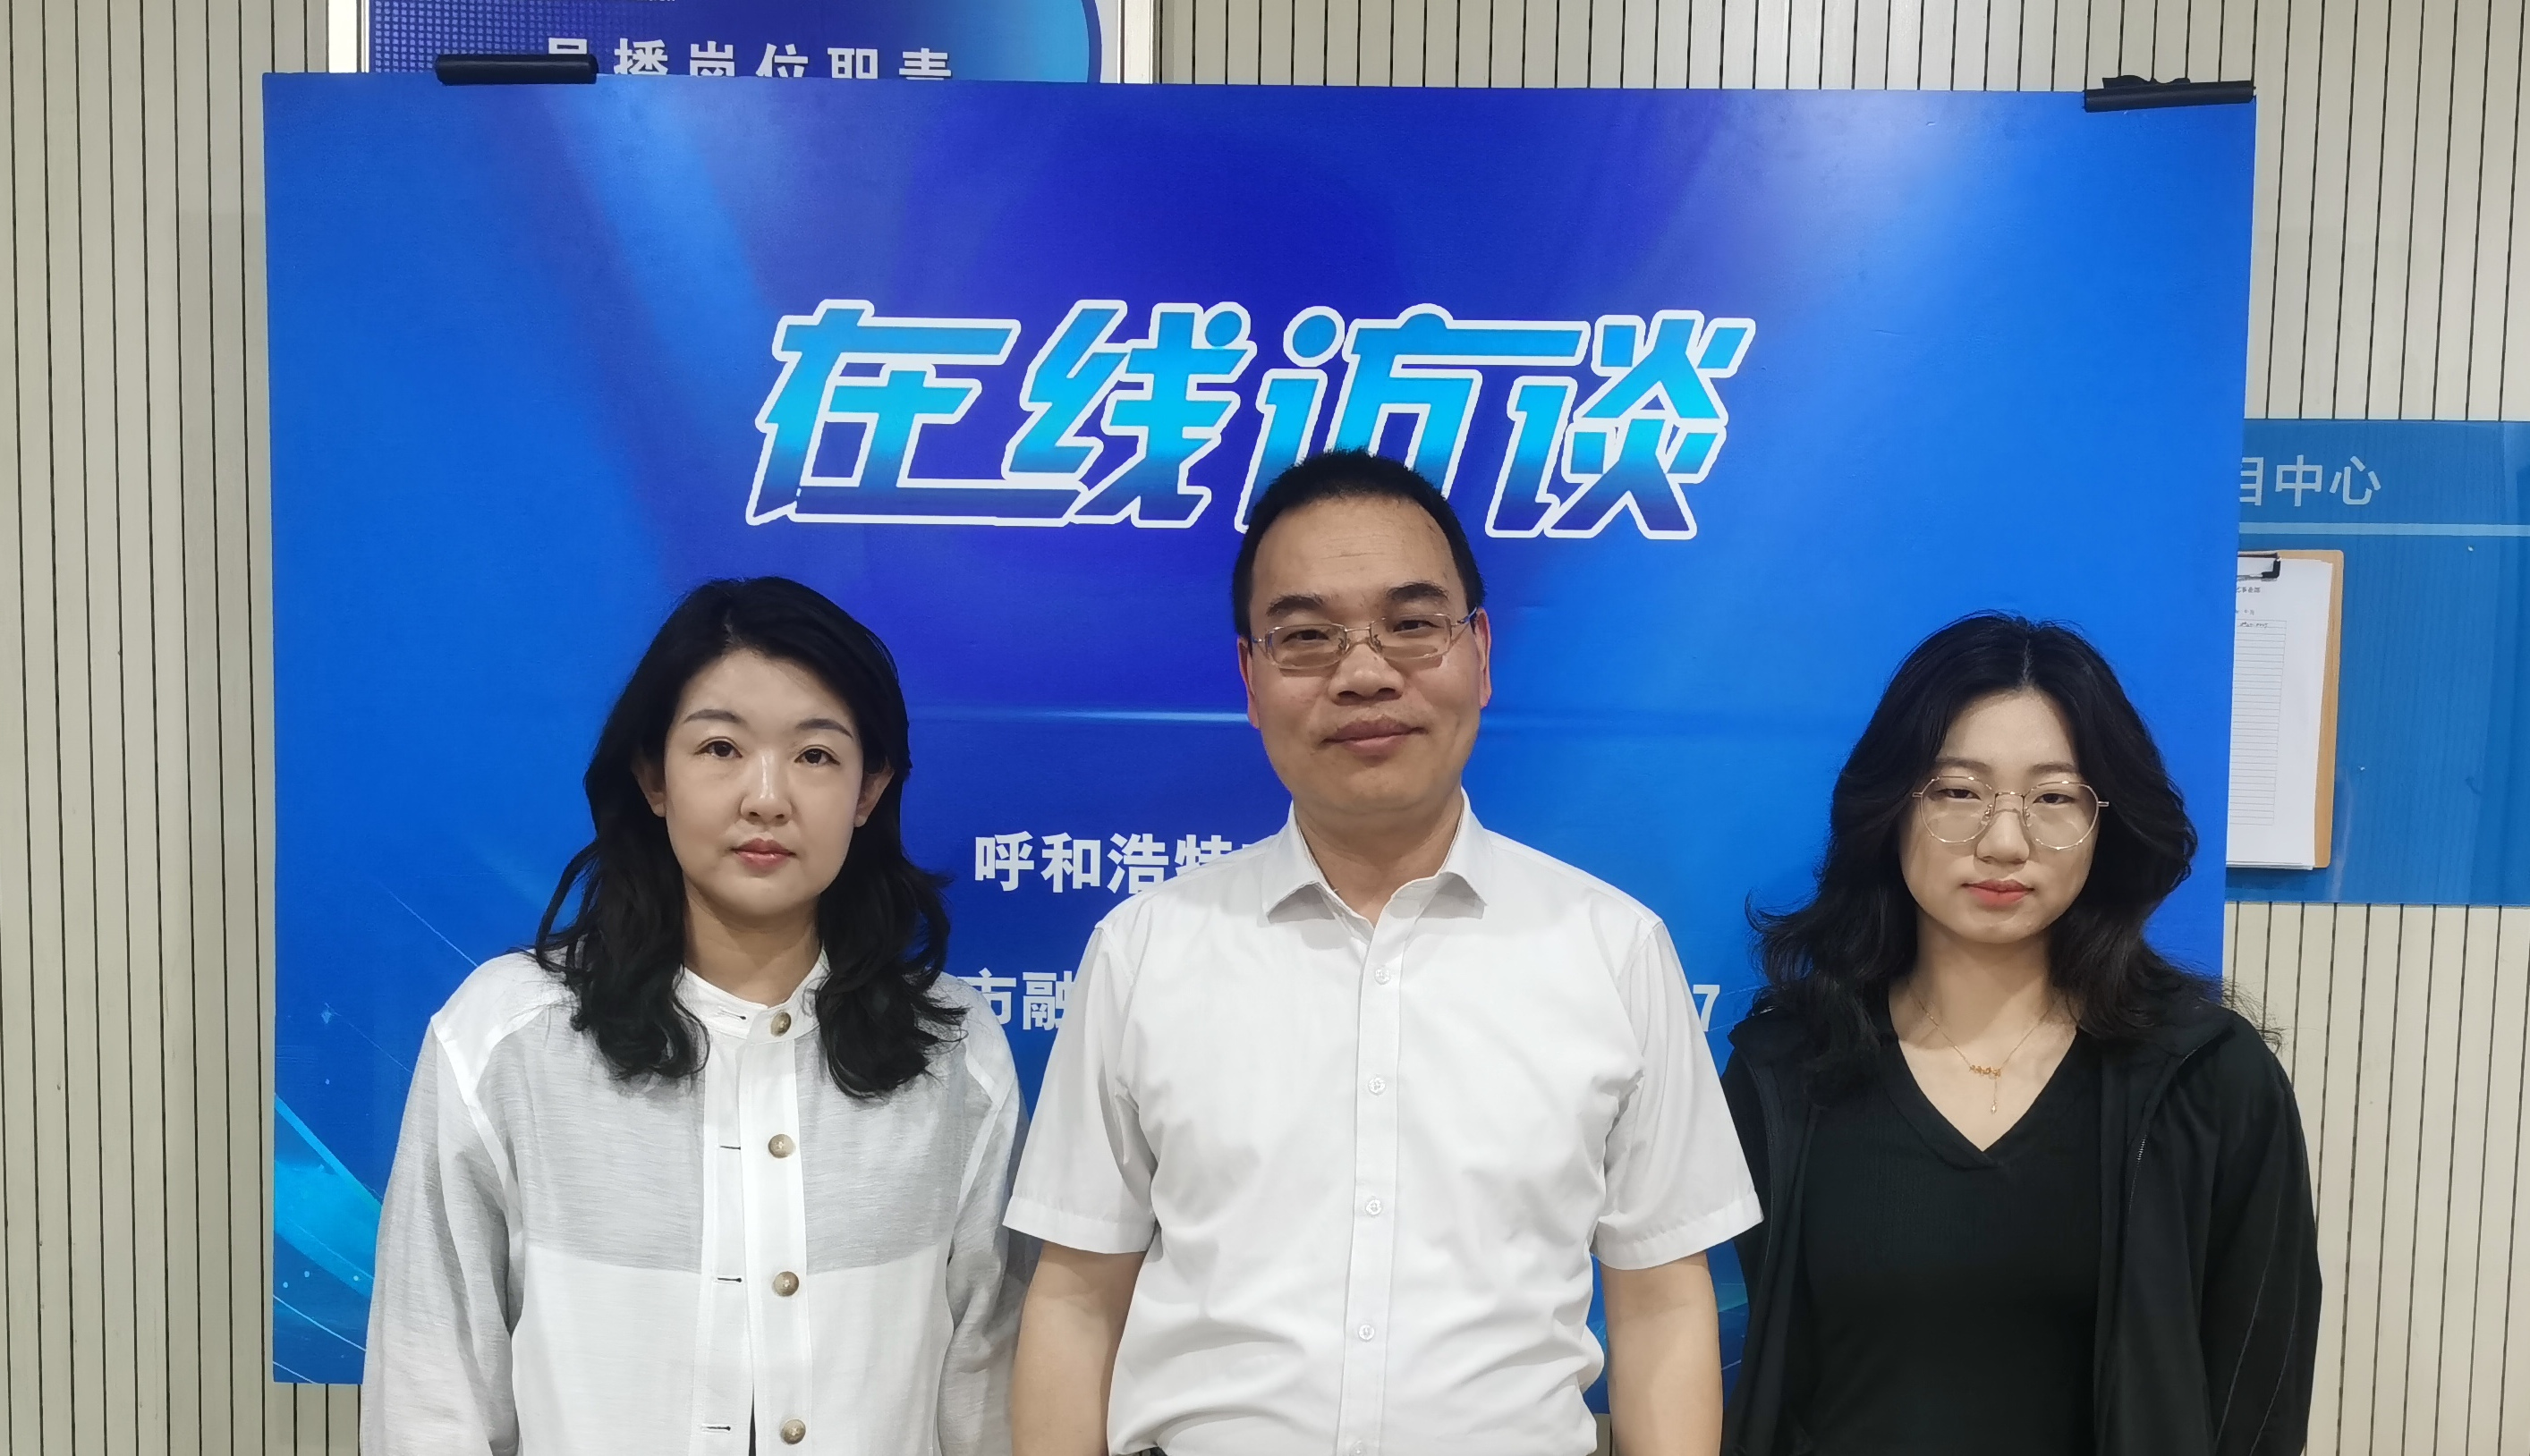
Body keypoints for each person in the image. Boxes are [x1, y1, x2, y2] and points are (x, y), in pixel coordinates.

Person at [1004, 450, 1759, 1456]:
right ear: (1251, 678)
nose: (1364, 673)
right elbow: (1075, 1295)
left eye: (1411, 624)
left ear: (1479, 651)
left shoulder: (1611, 948)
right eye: (1307, 636)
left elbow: (1661, 1299)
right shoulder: (1146, 949)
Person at [362, 577, 1026, 1456]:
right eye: (720, 747)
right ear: (652, 775)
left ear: (870, 789)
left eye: (815, 755)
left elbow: (988, 1384)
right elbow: (429, 1390)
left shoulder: (953, 1054)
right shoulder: (505, 1038)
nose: (766, 797)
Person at [1720, 613, 2320, 1456]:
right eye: (1958, 792)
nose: (2005, 842)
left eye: (2054, 798)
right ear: (1890, 808)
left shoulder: (2208, 1079)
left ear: (2106, 822)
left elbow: (2260, 1396)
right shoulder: (1786, 1073)